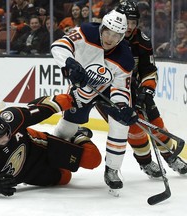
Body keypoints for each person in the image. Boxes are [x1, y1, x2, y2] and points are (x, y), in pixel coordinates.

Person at [51, 9, 138, 192]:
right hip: (82, 88)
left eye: (116, 35)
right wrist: (70, 63)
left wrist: (122, 106)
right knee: (68, 127)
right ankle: (50, 153)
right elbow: (59, 45)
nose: (110, 39)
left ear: (122, 36)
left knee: (121, 123)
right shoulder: (86, 32)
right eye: (108, 32)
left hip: (107, 90)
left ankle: (112, 169)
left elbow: (121, 88)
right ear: (102, 28)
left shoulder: (125, 58)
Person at [102, 1, 187, 177]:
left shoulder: (142, 40)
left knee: (156, 122)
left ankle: (170, 156)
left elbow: (149, 70)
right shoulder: (105, 38)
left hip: (134, 89)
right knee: (134, 128)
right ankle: (146, 162)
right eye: (127, 22)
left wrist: (147, 90)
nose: (130, 26)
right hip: (109, 93)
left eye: (133, 22)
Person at [0, 94, 102, 197]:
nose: (8, 138)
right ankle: (65, 139)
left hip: (42, 148)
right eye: (2, 138)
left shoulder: (11, 118)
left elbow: (40, 108)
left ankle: (76, 135)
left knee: (92, 159)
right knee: (65, 177)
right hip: (29, 174)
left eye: (8, 133)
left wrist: (70, 98)